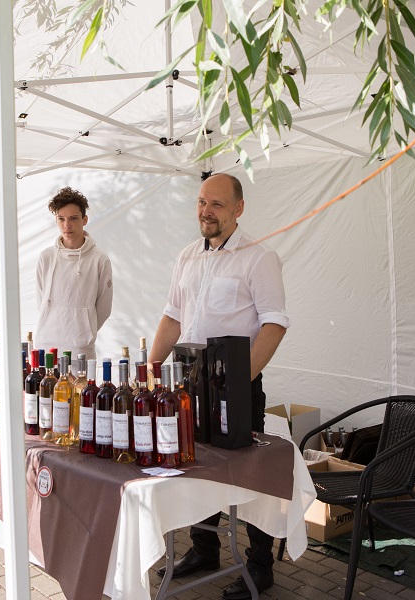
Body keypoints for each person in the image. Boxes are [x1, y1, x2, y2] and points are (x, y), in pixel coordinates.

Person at [149, 173, 289, 600]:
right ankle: (205, 550)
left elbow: (274, 324)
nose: (205, 211)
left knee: (250, 475)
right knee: (196, 468)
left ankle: (260, 567)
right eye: (201, 202)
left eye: (217, 204)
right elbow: (173, 316)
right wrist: (151, 368)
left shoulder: (259, 257)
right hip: (190, 385)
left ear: (238, 208)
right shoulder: (187, 256)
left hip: (237, 389)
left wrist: (239, 384)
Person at [35, 187, 113, 359]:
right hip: (45, 346)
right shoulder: (46, 257)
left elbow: (104, 308)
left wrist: (84, 331)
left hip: (81, 349)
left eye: (73, 218)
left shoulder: (100, 260)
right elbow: (41, 300)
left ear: (85, 220)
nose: (66, 225)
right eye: (61, 219)